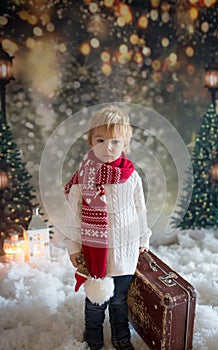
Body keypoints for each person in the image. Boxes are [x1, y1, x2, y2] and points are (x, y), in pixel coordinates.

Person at [64, 105, 152, 350]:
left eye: (115, 141)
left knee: (119, 300)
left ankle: (121, 336)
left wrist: (143, 240)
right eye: (101, 140)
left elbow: (140, 211)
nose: (108, 147)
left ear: (125, 145)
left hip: (125, 251)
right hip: (94, 252)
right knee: (95, 300)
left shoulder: (131, 177)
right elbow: (73, 217)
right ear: (91, 141)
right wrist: (73, 247)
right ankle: (93, 336)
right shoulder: (83, 178)